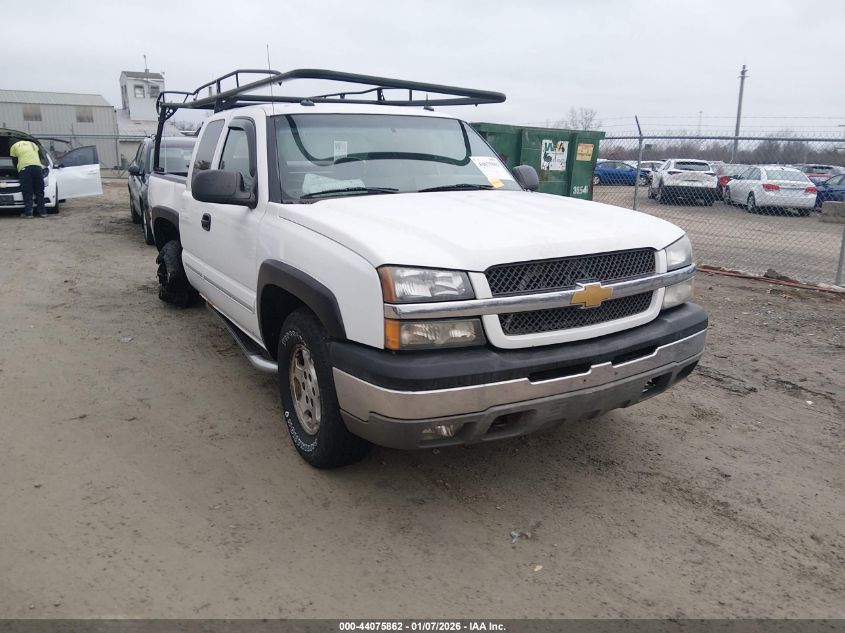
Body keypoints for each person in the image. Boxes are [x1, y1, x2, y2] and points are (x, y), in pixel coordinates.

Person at [9, 138, 46, 218]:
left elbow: (15, 161)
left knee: (27, 191)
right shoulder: (33, 144)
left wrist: (17, 172)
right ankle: (42, 212)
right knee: (39, 191)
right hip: (37, 168)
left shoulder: (13, 146)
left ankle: (29, 213)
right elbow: (39, 156)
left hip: (25, 169)